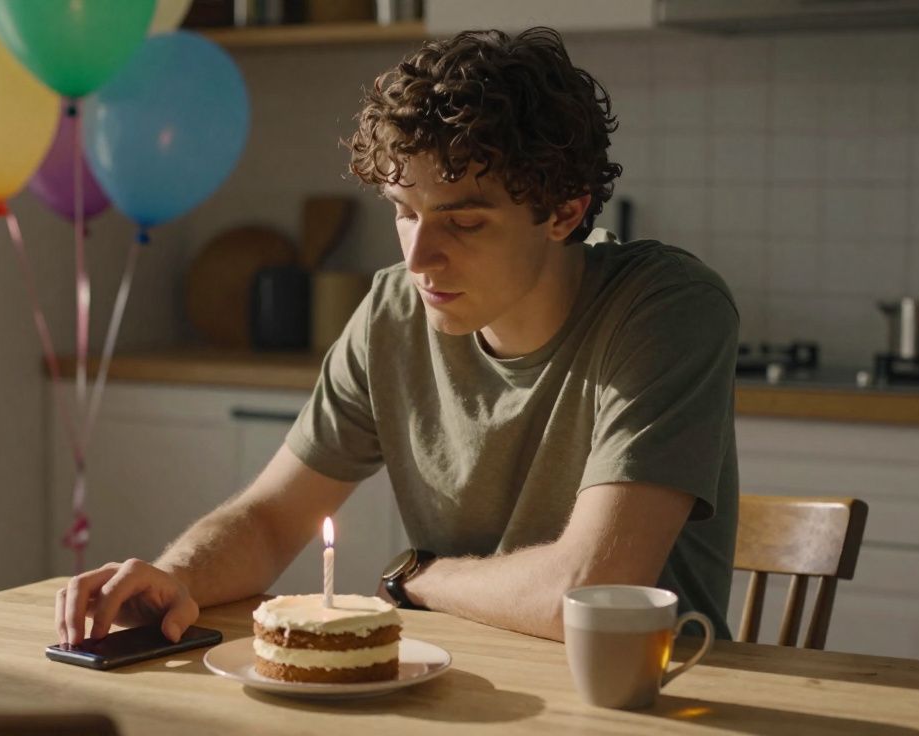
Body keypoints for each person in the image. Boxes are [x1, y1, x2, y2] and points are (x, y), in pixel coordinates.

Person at [55, 26, 738, 646]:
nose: (418, 260)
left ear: (564, 212)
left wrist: (418, 577)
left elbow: (587, 593)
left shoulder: (665, 308)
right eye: (403, 212)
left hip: (653, 705)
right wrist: (178, 576)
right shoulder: (392, 312)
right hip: (463, 689)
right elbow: (269, 522)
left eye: (464, 224)